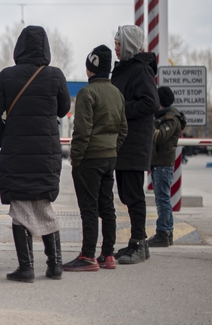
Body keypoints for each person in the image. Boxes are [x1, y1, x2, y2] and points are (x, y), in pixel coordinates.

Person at [0, 25, 71, 283]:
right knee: (44, 204)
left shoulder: (6, 76)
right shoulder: (55, 75)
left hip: (17, 152)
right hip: (47, 152)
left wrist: (4, 138)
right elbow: (63, 109)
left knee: (20, 206)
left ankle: (27, 268)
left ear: (19, 47)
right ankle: (55, 266)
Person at [63, 45, 128, 272]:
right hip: (109, 158)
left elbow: (82, 130)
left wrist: (76, 158)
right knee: (107, 206)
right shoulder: (117, 94)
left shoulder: (87, 93)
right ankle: (107, 254)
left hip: (89, 160)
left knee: (89, 208)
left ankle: (87, 255)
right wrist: (112, 149)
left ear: (90, 67)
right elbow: (124, 129)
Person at [111, 25, 160, 264]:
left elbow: (151, 103)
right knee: (126, 194)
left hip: (134, 142)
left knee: (133, 194)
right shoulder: (122, 69)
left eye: (119, 44)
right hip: (122, 142)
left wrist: (122, 110)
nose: (116, 48)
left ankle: (139, 242)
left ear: (129, 44)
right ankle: (135, 243)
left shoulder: (140, 70)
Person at [147, 86, 187, 248]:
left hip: (163, 164)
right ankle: (167, 231)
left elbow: (160, 136)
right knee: (162, 198)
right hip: (158, 163)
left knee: (162, 199)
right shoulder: (163, 117)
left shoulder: (171, 118)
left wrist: (148, 123)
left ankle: (163, 232)